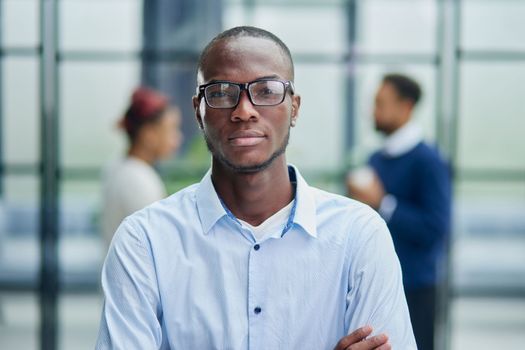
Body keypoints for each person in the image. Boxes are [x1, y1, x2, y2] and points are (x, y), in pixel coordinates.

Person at [96, 27, 416, 349]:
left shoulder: (359, 236)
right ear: (198, 110)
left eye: (266, 90)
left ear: (294, 108)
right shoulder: (145, 241)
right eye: (222, 92)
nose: (244, 110)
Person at [347, 74, 452, 350]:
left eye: (381, 103)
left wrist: (383, 203)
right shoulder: (376, 158)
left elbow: (436, 228)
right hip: (373, 285)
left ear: (406, 107)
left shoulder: (429, 161)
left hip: (415, 288)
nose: (373, 112)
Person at [100, 87, 183, 246]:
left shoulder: (118, 166)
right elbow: (157, 244)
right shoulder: (138, 180)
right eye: (172, 129)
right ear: (149, 134)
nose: (178, 138)